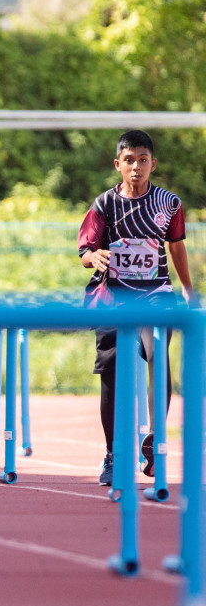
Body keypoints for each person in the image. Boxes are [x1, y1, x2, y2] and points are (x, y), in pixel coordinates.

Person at [78, 130, 193, 486]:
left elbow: (175, 246)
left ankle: (155, 440)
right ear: (118, 165)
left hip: (156, 292)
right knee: (112, 374)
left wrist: (188, 290)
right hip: (114, 296)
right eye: (129, 160)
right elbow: (86, 250)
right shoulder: (104, 205)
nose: (136, 167)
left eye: (143, 160)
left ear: (152, 164)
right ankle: (113, 455)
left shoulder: (168, 204)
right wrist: (92, 255)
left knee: (158, 350)